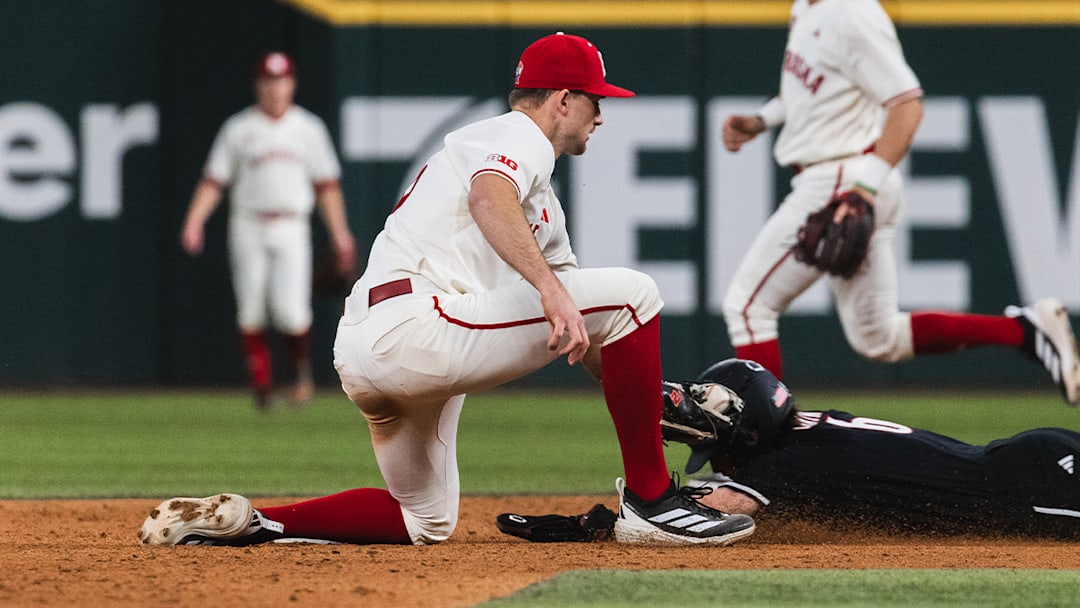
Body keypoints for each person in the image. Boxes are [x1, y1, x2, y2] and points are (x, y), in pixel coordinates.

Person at [140, 33, 755, 548]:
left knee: (425, 519)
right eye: (596, 100)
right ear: (562, 100)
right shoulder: (518, 135)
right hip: (419, 323)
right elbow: (492, 199)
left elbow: (590, 329)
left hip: (369, 349)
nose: (603, 113)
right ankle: (652, 504)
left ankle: (257, 522)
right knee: (635, 293)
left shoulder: (539, 200)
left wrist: (660, 400)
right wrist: (547, 287)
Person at [719, 0, 1080, 405]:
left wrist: (861, 191)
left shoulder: (851, 12)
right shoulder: (808, 7)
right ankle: (1026, 332)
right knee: (879, 336)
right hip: (841, 177)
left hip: (841, 180)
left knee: (749, 307)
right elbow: (810, 90)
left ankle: (748, 459)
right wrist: (761, 121)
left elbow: (906, 106)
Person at [499, 359, 1080, 542]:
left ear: (748, 420)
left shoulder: (791, 463)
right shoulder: (806, 439)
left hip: (1031, 489)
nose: (707, 432)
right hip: (1028, 462)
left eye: (716, 413)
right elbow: (714, 493)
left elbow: (693, 518)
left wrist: (597, 528)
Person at [180, 51, 357, 410]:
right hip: (248, 223)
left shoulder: (308, 129)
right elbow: (215, 181)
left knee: (291, 310)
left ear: (291, 83)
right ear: (258, 84)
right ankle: (261, 389)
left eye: (281, 80)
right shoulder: (239, 128)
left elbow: (327, 186)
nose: (275, 88)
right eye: (268, 81)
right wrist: (195, 219)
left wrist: (340, 232)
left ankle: (298, 375)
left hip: (292, 225)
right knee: (251, 310)